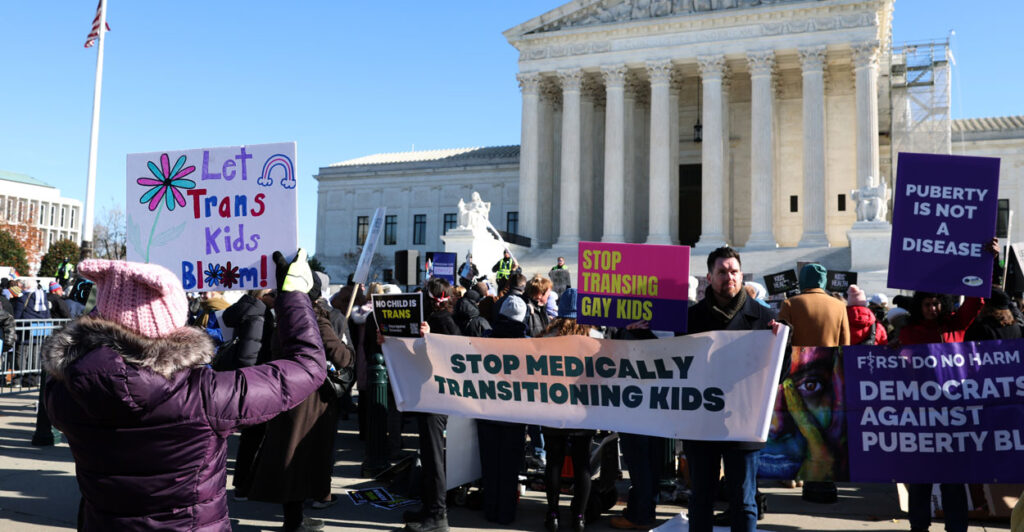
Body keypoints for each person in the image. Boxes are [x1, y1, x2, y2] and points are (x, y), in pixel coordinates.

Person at [41, 250, 327, 531]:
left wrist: (110, 300)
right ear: (175, 321)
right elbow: (308, 366)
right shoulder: (205, 394)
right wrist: (294, 296)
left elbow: (81, 343)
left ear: (101, 320)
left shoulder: (65, 391)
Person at [680, 247, 779, 532]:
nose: (729, 277)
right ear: (709, 277)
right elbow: (667, 362)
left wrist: (782, 343)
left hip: (744, 421)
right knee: (701, 498)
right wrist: (636, 332)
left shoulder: (765, 319)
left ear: (741, 274)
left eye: (734, 271)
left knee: (744, 500)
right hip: (701, 421)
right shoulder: (690, 319)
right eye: (722, 272)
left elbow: (777, 374)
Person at [248, 272, 354, 531]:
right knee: (301, 458)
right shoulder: (314, 318)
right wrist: (349, 351)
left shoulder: (285, 316)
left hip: (286, 392)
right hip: (310, 399)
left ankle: (294, 518)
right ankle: (294, 522)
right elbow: (341, 357)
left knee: (291, 455)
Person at [776, 263, 850, 504]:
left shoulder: (790, 304)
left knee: (797, 428)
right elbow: (845, 345)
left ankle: (797, 478)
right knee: (825, 428)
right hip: (828, 378)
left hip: (795, 376)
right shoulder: (839, 306)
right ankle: (824, 483)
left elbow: (781, 343)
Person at [540, 288, 600, 532]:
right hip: (583, 411)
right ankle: (579, 517)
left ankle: (553, 514)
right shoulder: (596, 337)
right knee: (582, 464)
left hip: (552, 409)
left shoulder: (546, 337)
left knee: (553, 462)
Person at [403, 277, 459, 532]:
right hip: (428, 397)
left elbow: (453, 355)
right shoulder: (436, 320)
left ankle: (438, 515)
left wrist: (431, 339)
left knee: (434, 457)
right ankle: (429, 508)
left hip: (436, 398)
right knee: (428, 455)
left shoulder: (443, 322)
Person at [221, 289, 272, 500]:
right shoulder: (259, 314)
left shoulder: (246, 308)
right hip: (256, 381)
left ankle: (243, 484)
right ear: (262, 294)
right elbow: (249, 354)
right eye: (272, 294)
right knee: (254, 436)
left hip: (247, 380)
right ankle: (245, 486)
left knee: (251, 435)